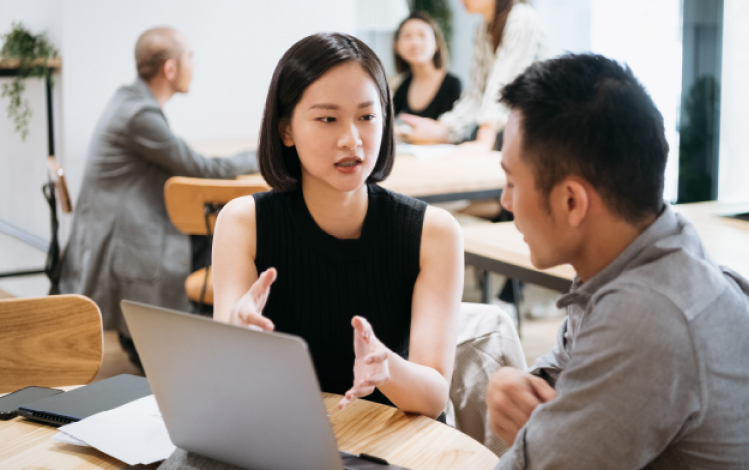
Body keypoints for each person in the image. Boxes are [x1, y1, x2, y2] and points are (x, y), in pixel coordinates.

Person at [487, 53, 749, 468]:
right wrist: (525, 386)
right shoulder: (650, 250)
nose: (505, 201)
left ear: (572, 201)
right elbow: (568, 365)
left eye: (513, 182)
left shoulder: (649, 314)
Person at [212, 33, 463, 419]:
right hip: (282, 437)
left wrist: (387, 368)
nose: (352, 140)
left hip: (388, 444)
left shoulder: (434, 233)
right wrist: (234, 337)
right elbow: (230, 382)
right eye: (327, 119)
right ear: (286, 130)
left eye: (367, 117)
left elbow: (433, 399)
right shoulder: (243, 223)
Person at [58, 27, 257, 367]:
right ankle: (215, 343)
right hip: (121, 237)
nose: (194, 65)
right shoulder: (140, 115)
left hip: (112, 224)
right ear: (170, 68)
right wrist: (260, 155)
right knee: (225, 235)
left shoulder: (129, 100)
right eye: (190, 57)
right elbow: (202, 168)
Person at [399, 0, 546, 151]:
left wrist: (484, 139)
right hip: (513, 133)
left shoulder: (522, 18)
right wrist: (443, 127)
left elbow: (504, 82)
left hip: (542, 133)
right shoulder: (482, 29)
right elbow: (477, 92)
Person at [392, 11, 462, 121]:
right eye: (407, 36)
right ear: (397, 46)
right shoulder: (403, 86)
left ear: (436, 43)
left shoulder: (452, 84)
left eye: (422, 35)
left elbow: (451, 132)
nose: (414, 42)